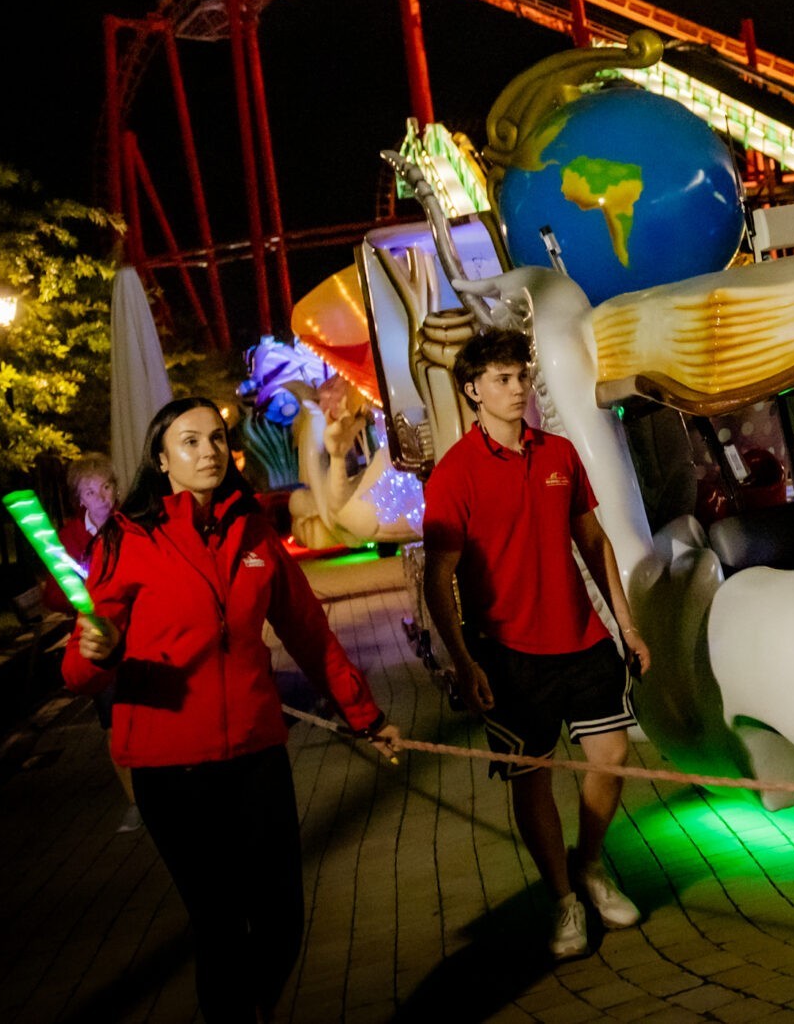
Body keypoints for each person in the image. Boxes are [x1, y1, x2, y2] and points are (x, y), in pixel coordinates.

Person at [65, 397, 400, 1024]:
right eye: (190, 442)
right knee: (219, 924)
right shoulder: (127, 539)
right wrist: (98, 652)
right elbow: (79, 672)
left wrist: (366, 716)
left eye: (216, 438)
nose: (208, 451)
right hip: (171, 767)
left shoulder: (253, 532)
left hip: (255, 753)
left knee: (281, 919)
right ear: (162, 460)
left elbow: (310, 634)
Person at [423, 327, 654, 961]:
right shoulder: (454, 473)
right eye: (502, 378)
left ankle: (590, 864)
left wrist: (627, 625)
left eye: (522, 375)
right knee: (532, 778)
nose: (518, 387)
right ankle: (563, 898)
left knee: (612, 756)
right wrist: (463, 660)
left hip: (581, 637)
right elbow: (438, 577)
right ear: (473, 389)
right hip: (509, 653)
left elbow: (594, 540)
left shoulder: (559, 454)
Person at [47, 457, 143, 832]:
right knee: (114, 723)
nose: (100, 497)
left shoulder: (134, 526)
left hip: (140, 635)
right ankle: (135, 801)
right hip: (100, 642)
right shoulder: (70, 538)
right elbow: (54, 595)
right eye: (90, 491)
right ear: (80, 500)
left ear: (115, 489)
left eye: (105, 487)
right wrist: (87, 592)